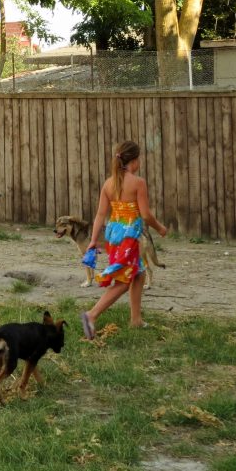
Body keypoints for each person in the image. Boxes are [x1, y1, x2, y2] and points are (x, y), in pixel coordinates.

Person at [80, 140, 168, 340]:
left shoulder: (109, 183)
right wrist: (160, 228)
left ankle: (135, 320)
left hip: (114, 236)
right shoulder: (138, 183)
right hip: (129, 237)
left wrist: (94, 240)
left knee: (138, 273)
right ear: (135, 160)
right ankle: (91, 315)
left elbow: (100, 215)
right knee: (123, 279)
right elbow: (145, 215)